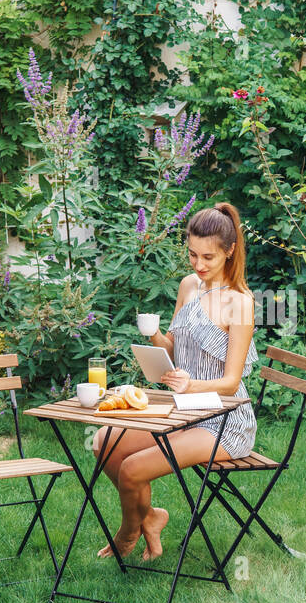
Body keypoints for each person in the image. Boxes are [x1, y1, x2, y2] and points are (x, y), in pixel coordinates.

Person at [91, 202, 259, 560]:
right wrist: (153, 338)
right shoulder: (188, 286)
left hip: (224, 420)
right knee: (104, 441)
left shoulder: (241, 303)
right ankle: (151, 518)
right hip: (184, 409)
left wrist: (191, 384)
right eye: (193, 255)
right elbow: (175, 344)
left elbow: (230, 383)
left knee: (133, 469)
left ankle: (127, 533)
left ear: (229, 251)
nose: (199, 265)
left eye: (208, 258)